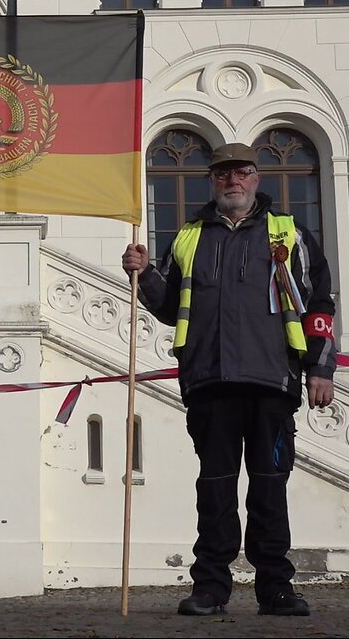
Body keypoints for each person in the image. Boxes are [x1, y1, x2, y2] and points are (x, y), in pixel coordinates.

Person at [122, 142, 336, 618]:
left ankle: (276, 589)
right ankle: (210, 588)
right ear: (212, 181)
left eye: (241, 172)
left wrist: (321, 369)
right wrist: (144, 273)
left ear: (256, 178)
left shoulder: (289, 233)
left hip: (272, 381)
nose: (232, 181)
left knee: (268, 489)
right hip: (209, 381)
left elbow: (319, 303)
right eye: (222, 174)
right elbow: (167, 304)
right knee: (214, 490)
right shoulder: (188, 236)